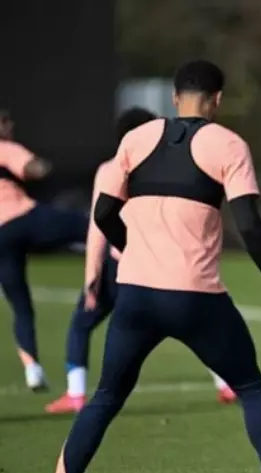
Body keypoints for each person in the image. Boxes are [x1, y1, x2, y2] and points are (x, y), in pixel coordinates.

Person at [40, 60, 261, 473]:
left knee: (104, 399)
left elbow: (103, 215)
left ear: (175, 98)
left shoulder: (135, 140)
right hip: (197, 298)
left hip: (135, 297)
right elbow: (250, 227)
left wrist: (135, 248)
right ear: (217, 99)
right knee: (253, 390)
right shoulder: (228, 144)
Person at [44, 107, 237, 415]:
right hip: (165, 264)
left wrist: (91, 275)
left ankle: (76, 394)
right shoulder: (172, 168)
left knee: (83, 323)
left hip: (123, 265)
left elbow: (98, 225)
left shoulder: (111, 169)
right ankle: (227, 383)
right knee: (192, 327)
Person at [0, 108, 88, 392]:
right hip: (24, 219)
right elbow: (31, 168)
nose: (10, 125)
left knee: (20, 306)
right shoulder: (5, 147)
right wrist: (45, 167)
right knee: (87, 226)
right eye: (5, 121)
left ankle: (32, 369)